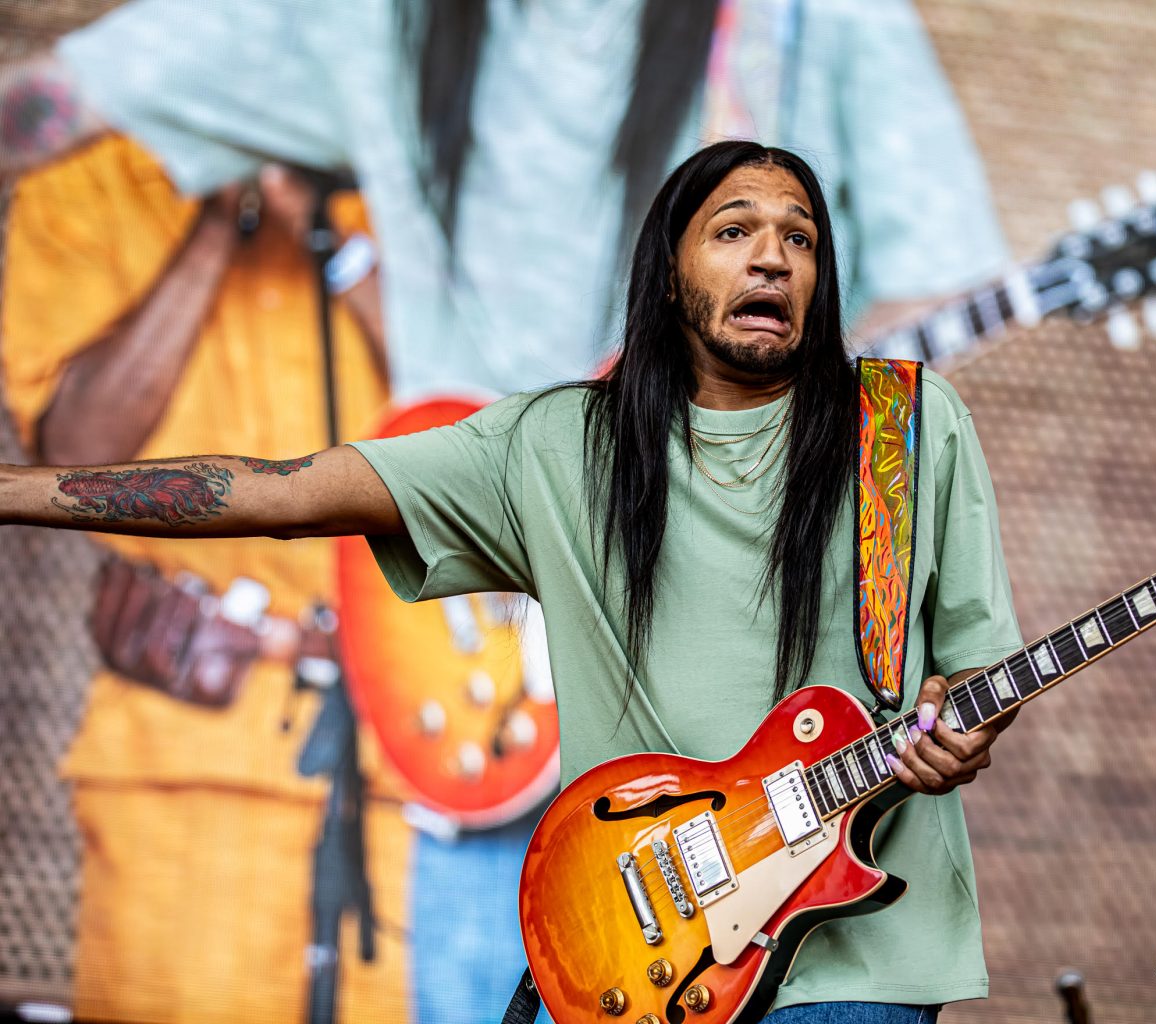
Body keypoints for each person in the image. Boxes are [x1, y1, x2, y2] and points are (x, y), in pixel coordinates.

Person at [0, 3, 1013, 1020]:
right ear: (665, 280)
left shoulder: (907, 421)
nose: (771, 258)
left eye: (800, 237)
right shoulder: (556, 442)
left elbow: (979, 664)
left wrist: (961, 725)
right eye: (734, 232)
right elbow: (279, 491)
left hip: (853, 947)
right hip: (600, 889)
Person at [1, 135, 409, 1023]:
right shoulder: (87, 190)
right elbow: (72, 459)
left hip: (422, 755)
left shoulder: (415, 175)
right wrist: (219, 223)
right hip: (186, 767)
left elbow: (494, 420)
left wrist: (337, 245)